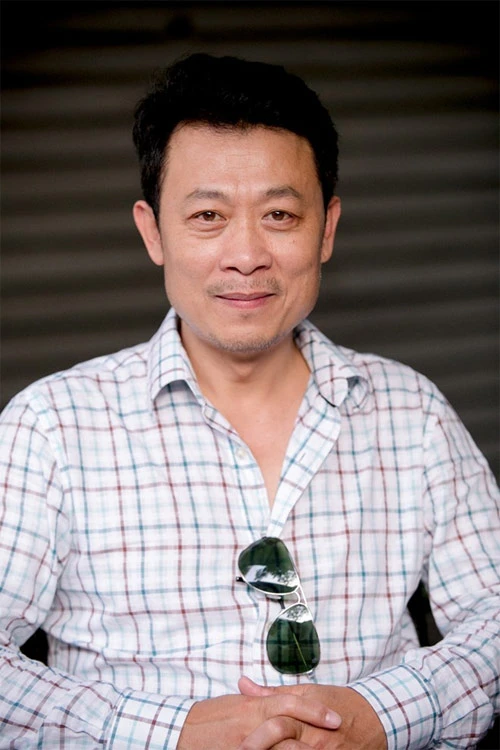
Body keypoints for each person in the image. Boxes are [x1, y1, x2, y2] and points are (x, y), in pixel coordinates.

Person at [0, 53, 498, 750]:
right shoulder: (50, 427)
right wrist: (171, 731)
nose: (246, 255)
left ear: (326, 228)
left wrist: (378, 717)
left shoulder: (411, 414)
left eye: (279, 215)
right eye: (208, 215)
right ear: (153, 231)